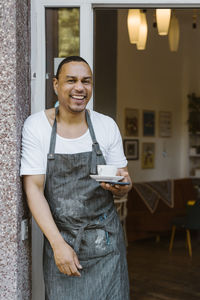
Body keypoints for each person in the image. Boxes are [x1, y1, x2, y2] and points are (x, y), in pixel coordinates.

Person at [21, 56, 132, 299]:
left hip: (107, 244)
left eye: (86, 81)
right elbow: (34, 190)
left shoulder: (106, 126)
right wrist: (58, 245)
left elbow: (124, 180)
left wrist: (121, 187)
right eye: (71, 80)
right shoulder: (37, 127)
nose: (80, 88)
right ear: (56, 85)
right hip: (62, 241)